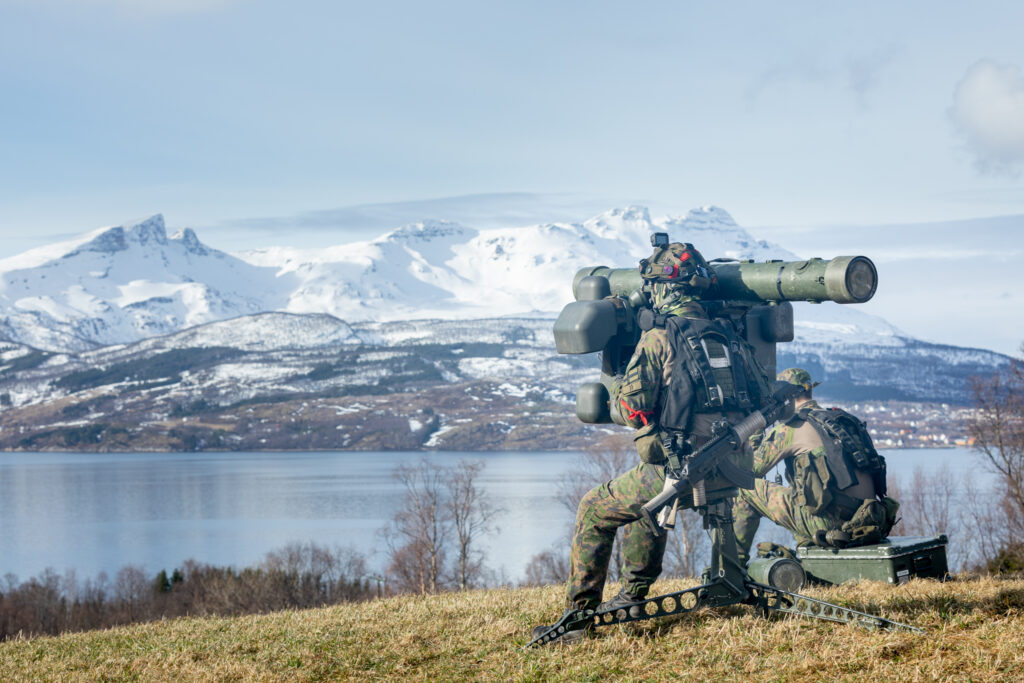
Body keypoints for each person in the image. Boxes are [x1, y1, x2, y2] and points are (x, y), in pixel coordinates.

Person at [532, 240, 772, 643]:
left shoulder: (660, 336)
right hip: (733, 468)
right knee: (648, 504)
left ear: (663, 289)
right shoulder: (729, 335)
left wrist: (620, 366)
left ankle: (578, 618)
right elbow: (764, 396)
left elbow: (630, 410)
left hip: (682, 470)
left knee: (595, 508)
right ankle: (632, 595)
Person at [732, 368, 899, 565]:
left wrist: (756, 425)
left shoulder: (790, 428)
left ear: (784, 397)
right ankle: (808, 553)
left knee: (744, 488)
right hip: (871, 519)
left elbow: (749, 469)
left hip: (833, 525)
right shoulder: (841, 420)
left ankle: (733, 565)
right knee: (804, 493)